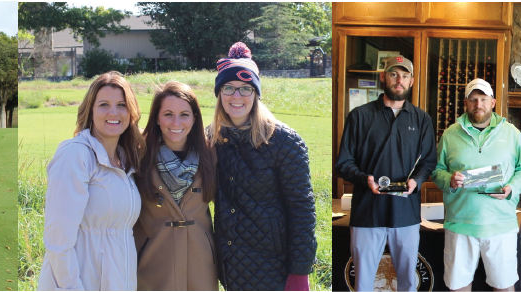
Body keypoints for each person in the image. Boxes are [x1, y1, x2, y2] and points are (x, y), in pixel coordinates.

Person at [211, 42, 317, 291]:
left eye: (245, 89)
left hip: (274, 267)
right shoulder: (212, 139)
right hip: (229, 267)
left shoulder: (284, 141)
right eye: (228, 88)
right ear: (219, 93)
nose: (236, 96)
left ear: (256, 93)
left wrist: (300, 272)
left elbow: (302, 209)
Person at [335, 55, 436, 292]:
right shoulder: (359, 116)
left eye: (405, 75)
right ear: (383, 77)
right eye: (393, 74)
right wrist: (364, 179)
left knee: (408, 283)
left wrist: (417, 180)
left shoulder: (422, 119)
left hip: (406, 215)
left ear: (411, 81)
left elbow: (429, 161)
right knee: (362, 284)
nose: (398, 80)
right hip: (367, 214)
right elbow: (343, 163)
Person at [37, 71, 143, 291]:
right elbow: (58, 242)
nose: (113, 112)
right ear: (91, 111)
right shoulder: (76, 155)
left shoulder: (126, 162)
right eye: (104, 104)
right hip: (80, 283)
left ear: (131, 112)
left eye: (122, 105)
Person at [431, 78, 521, 292]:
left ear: (493, 102)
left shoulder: (512, 133)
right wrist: (449, 180)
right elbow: (437, 170)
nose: (478, 105)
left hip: (501, 224)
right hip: (460, 224)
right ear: (466, 103)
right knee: (458, 287)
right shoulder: (450, 134)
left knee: (504, 287)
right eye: (473, 100)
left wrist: (512, 188)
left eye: (483, 99)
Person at [133, 81, 218, 290]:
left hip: (201, 266)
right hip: (152, 265)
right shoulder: (138, 156)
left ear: (195, 118)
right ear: (157, 119)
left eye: (184, 114)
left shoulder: (212, 154)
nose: (176, 122)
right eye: (168, 114)